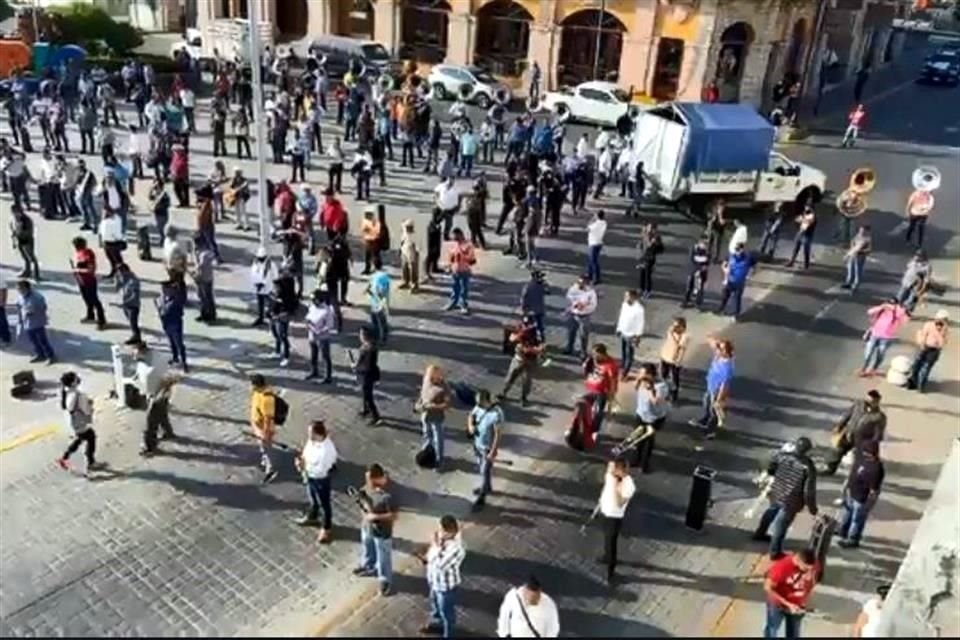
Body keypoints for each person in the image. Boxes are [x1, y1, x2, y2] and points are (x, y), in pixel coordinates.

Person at [752, 436, 818, 560]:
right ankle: (775, 552)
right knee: (781, 525)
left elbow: (770, 467)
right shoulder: (808, 466)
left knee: (771, 512)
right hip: (791, 500)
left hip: (776, 492)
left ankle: (760, 533)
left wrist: (775, 474)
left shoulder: (782, 456)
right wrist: (812, 508)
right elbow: (808, 491)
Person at [353, 463, 397, 596]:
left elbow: (393, 516)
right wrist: (365, 513)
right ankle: (369, 566)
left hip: (382, 531)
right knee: (368, 547)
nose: (368, 483)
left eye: (370, 480)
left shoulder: (387, 496)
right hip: (367, 527)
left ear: (377, 478)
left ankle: (385, 580)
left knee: (384, 557)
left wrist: (374, 517)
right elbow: (362, 505)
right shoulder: (365, 489)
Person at [419, 515, 466, 638]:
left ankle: (448, 634)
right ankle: (437, 623)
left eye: (441, 530)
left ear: (449, 532)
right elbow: (431, 555)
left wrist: (435, 544)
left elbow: (440, 565)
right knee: (435, 605)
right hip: (434, 581)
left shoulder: (457, 548)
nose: (438, 532)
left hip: (445, 586)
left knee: (447, 613)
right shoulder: (442, 538)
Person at [824, 390, 886, 476]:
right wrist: (839, 426)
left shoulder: (879, 416)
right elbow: (847, 415)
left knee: (860, 459)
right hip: (849, 434)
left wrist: (872, 444)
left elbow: (878, 433)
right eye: (867, 400)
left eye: (872, 401)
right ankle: (830, 468)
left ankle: (858, 475)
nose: (868, 402)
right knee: (837, 450)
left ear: (877, 402)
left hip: (863, 440)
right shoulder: (858, 405)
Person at [294, 420, 338, 544]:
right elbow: (306, 452)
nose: (308, 435)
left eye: (311, 432)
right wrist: (302, 461)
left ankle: (326, 528)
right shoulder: (311, 441)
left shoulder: (326, 450)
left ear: (318, 434)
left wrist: (303, 467)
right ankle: (312, 516)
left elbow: (322, 469)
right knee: (312, 497)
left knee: (325, 504)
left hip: (320, 480)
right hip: (310, 476)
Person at [837, 440, 884, 549]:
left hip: (862, 498)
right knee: (847, 513)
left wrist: (870, 503)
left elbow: (874, 490)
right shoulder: (861, 460)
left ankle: (852, 539)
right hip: (852, 493)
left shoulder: (876, 468)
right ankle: (843, 530)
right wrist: (846, 488)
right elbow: (852, 474)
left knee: (857, 519)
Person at [764, 549, 820, 638]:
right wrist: (788, 604)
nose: (808, 571)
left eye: (811, 569)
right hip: (778, 604)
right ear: (798, 561)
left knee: (794, 633)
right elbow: (768, 588)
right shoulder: (781, 567)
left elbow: (812, 582)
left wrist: (805, 600)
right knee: (772, 629)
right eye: (805, 569)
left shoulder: (813, 564)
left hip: (797, 605)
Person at [56, 372, 104, 475]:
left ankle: (65, 457)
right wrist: (90, 405)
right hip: (80, 422)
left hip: (73, 421)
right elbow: (86, 410)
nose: (78, 379)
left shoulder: (68, 393)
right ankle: (90, 463)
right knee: (90, 437)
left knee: (80, 438)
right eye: (75, 378)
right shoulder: (79, 395)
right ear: (73, 383)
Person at [598, 459, 636, 584]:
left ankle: (611, 572)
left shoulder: (629, 485)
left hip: (614, 518)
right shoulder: (611, 474)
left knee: (611, 544)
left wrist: (616, 488)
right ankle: (606, 556)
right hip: (605, 512)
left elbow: (620, 503)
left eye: (617, 470)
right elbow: (609, 464)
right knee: (606, 538)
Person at [136, 345, 179, 456]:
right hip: (163, 394)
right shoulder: (157, 358)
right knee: (162, 413)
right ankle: (168, 432)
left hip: (156, 396)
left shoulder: (150, 369)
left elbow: (149, 384)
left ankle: (149, 447)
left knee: (151, 422)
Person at [689, 337, 734, 439]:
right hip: (711, 387)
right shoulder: (719, 356)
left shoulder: (727, 367)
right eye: (719, 348)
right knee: (706, 403)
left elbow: (724, 384)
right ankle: (706, 419)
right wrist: (716, 343)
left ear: (727, 352)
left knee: (714, 410)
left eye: (722, 349)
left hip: (717, 391)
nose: (718, 350)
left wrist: (719, 399)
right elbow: (712, 341)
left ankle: (710, 431)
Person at [468, 390, 504, 510]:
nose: (478, 405)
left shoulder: (496, 414)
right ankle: (487, 487)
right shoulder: (478, 407)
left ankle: (481, 498)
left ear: (486, 401)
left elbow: (498, 434)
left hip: (487, 448)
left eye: (480, 403)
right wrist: (471, 427)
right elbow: (471, 415)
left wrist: (493, 451)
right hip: (478, 444)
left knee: (484, 470)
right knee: (482, 469)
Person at [499, 314, 545, 407]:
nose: (526, 326)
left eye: (528, 324)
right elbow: (511, 338)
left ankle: (524, 398)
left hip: (530, 360)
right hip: (518, 358)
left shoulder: (537, 333)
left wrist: (534, 350)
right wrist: (518, 336)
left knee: (526, 380)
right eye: (525, 324)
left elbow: (542, 346)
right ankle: (503, 393)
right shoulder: (519, 329)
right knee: (510, 376)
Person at [496, 577, 561, 638]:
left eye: (536, 598)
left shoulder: (549, 604)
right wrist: (504, 634)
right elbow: (504, 616)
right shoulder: (513, 596)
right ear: (525, 591)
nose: (533, 601)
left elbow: (553, 628)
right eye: (530, 598)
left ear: (539, 592)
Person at [859, 299, 909, 377]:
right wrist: (882, 307)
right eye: (889, 303)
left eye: (892, 304)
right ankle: (864, 368)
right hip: (875, 334)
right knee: (868, 353)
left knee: (880, 354)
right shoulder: (882, 309)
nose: (890, 306)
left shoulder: (898, 312)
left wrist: (900, 310)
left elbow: (905, 322)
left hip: (886, 338)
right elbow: (869, 312)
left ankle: (873, 369)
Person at [907, 309, 949, 392]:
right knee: (916, 365)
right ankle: (913, 382)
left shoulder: (945, 330)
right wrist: (922, 345)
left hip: (934, 350)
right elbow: (924, 334)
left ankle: (921, 385)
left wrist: (941, 332)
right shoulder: (929, 324)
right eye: (939, 319)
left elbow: (942, 344)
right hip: (924, 346)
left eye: (943, 320)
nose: (940, 321)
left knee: (926, 367)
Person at [582, 344, 619, 439]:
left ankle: (594, 430)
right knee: (583, 405)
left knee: (598, 412)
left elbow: (613, 381)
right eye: (593, 354)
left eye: (596, 355)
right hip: (591, 389)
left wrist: (612, 395)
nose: (594, 357)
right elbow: (588, 370)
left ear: (602, 354)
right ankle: (584, 424)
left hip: (601, 392)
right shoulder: (594, 360)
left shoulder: (611, 365)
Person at [249, 374, 280, 484]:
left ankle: (270, 469)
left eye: (252, 385)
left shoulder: (267, 398)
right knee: (263, 446)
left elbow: (268, 418)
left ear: (257, 385)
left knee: (267, 447)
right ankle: (265, 459)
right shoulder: (258, 392)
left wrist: (265, 433)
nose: (250, 387)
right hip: (258, 425)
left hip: (263, 428)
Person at [16, 280, 56, 363]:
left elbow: (44, 308)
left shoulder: (37, 297)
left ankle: (51, 356)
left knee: (43, 341)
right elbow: (19, 305)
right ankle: (40, 354)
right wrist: (20, 318)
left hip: (38, 322)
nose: (19, 291)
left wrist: (31, 312)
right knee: (33, 340)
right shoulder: (21, 296)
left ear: (27, 288)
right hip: (27, 322)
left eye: (21, 289)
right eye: (18, 289)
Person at [419, 365, 450, 472]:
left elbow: (446, 405)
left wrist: (433, 406)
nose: (430, 378)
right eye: (429, 376)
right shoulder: (426, 380)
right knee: (427, 435)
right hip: (425, 415)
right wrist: (419, 404)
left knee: (438, 440)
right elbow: (422, 393)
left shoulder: (444, 387)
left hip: (436, 418)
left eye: (432, 376)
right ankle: (428, 454)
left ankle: (439, 460)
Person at [156, 279, 188, 372]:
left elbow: (181, 303)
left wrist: (178, 287)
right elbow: (160, 309)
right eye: (163, 289)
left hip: (175, 324)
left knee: (179, 344)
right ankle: (175, 358)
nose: (163, 291)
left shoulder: (177, 299)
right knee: (171, 343)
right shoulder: (161, 298)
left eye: (165, 289)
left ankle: (184, 362)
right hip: (166, 324)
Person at [717, 244, 756, 318]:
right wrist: (725, 270)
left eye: (738, 250)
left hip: (740, 282)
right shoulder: (730, 256)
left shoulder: (748, 257)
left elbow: (753, 266)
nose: (737, 251)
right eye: (736, 249)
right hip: (730, 280)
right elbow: (723, 264)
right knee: (725, 296)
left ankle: (736, 314)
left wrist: (750, 274)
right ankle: (721, 309)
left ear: (742, 249)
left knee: (737, 298)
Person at [305, 289, 336, 383]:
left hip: (322, 337)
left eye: (314, 299)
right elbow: (309, 317)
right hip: (312, 335)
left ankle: (328, 376)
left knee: (325, 357)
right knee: (313, 355)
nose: (313, 301)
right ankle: (314, 371)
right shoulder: (312, 307)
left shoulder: (327, 310)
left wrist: (320, 331)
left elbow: (330, 325)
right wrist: (308, 324)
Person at [354, 326, 383, 425]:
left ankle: (376, 416)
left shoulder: (369, 349)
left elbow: (367, 366)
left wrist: (356, 367)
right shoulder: (367, 346)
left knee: (368, 396)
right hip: (366, 374)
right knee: (365, 393)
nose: (360, 336)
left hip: (367, 375)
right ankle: (365, 409)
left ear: (365, 336)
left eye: (361, 334)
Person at [564, 276, 598, 359]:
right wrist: (575, 304)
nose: (580, 284)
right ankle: (569, 347)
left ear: (586, 283)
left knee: (583, 335)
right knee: (571, 332)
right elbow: (569, 297)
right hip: (573, 314)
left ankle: (583, 352)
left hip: (584, 316)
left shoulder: (591, 292)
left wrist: (584, 307)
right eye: (579, 282)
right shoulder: (573, 289)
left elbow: (593, 305)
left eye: (582, 283)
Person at [445, 228, 476, 314]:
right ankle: (453, 302)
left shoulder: (468, 245)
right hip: (455, 270)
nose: (455, 239)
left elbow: (472, 260)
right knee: (455, 287)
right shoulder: (453, 245)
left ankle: (463, 305)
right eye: (454, 237)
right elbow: (451, 258)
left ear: (461, 235)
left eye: (456, 237)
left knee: (464, 289)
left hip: (465, 270)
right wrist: (449, 267)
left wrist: (463, 255)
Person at [615, 290, 645, 378]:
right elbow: (621, 317)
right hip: (623, 332)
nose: (625, 298)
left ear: (633, 297)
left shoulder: (639, 309)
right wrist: (619, 328)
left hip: (631, 335)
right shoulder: (624, 305)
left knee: (629, 353)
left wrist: (638, 336)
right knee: (623, 350)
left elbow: (640, 323)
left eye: (627, 296)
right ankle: (623, 364)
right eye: (625, 296)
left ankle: (625, 371)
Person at [659, 317, 689, 401]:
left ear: (682, 327)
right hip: (665, 356)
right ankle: (668, 390)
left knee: (674, 378)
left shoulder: (685, 336)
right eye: (674, 325)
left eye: (677, 326)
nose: (674, 328)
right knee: (663, 375)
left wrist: (671, 334)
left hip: (675, 360)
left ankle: (673, 394)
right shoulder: (671, 332)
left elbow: (678, 345)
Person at [192, 234, 217, 323]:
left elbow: (201, 265)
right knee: (203, 296)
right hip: (204, 277)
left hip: (204, 278)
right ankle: (204, 313)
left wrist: (195, 273)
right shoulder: (202, 252)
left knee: (206, 296)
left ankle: (210, 314)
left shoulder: (204, 254)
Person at [250, 247, 279, 326]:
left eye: (262, 258)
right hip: (258, 288)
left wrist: (274, 284)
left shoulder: (271, 264)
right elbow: (253, 274)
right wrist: (256, 283)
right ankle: (260, 318)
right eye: (260, 258)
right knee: (260, 303)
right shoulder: (255, 263)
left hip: (268, 288)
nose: (261, 260)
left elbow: (275, 276)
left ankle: (269, 314)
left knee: (272, 302)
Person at [10, 204, 40, 279]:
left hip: (27, 240)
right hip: (20, 240)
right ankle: (27, 271)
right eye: (13, 212)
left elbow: (29, 231)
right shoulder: (14, 219)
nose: (14, 214)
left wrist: (21, 234)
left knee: (31, 257)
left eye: (15, 212)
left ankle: (36, 274)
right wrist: (14, 238)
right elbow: (13, 229)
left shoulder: (27, 220)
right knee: (25, 257)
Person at [116, 263, 142, 346]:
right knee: (131, 321)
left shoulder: (133, 281)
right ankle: (136, 336)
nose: (119, 274)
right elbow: (118, 288)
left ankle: (136, 337)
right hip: (126, 304)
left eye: (120, 272)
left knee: (133, 323)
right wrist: (117, 280)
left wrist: (125, 302)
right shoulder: (123, 278)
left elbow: (135, 295)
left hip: (133, 305)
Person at [636, 223, 664, 299]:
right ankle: (641, 288)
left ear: (655, 229)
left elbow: (661, 249)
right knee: (642, 273)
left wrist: (655, 244)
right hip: (643, 257)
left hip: (650, 258)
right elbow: (642, 245)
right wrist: (640, 247)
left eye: (651, 228)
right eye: (649, 228)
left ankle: (648, 291)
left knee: (647, 275)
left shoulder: (656, 237)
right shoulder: (645, 235)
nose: (650, 230)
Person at [842, 225, 872, 292]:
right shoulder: (857, 236)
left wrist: (861, 251)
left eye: (863, 231)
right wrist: (852, 246)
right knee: (850, 269)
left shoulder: (868, 239)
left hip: (860, 257)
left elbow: (869, 250)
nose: (861, 232)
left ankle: (855, 285)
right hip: (853, 255)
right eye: (860, 230)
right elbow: (852, 243)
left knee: (857, 271)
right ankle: (848, 283)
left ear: (867, 231)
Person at [367, 265, 391, 345]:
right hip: (375, 302)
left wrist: (374, 293)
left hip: (379, 303)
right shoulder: (376, 276)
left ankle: (383, 338)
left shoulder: (381, 277)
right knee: (376, 321)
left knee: (380, 321)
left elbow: (382, 291)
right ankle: (377, 337)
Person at [787, 205, 817, 269]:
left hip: (807, 235)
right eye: (806, 207)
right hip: (800, 233)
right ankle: (792, 261)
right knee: (796, 248)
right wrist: (800, 220)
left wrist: (802, 220)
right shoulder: (804, 213)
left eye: (807, 207)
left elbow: (810, 223)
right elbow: (797, 220)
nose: (806, 208)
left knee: (806, 250)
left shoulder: (813, 216)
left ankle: (806, 265)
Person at [586, 209, 607, 284]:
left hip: (593, 243)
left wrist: (592, 219)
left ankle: (597, 278)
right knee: (590, 260)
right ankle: (590, 274)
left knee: (593, 261)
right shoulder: (604, 223)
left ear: (597, 216)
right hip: (598, 242)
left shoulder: (596, 224)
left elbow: (587, 228)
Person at [398, 219, 420, 292]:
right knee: (404, 267)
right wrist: (400, 250)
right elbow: (402, 242)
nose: (407, 228)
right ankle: (405, 281)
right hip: (404, 252)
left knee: (413, 269)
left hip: (412, 253)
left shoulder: (415, 235)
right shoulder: (404, 233)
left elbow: (417, 247)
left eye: (409, 227)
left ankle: (414, 284)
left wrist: (416, 255)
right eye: (406, 227)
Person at [360, 206, 382, 274]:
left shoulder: (375, 222)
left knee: (375, 255)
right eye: (366, 214)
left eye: (368, 214)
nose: (366, 216)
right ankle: (367, 268)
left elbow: (377, 231)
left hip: (374, 241)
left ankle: (377, 267)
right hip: (367, 240)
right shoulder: (364, 221)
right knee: (367, 255)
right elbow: (363, 229)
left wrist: (369, 230)